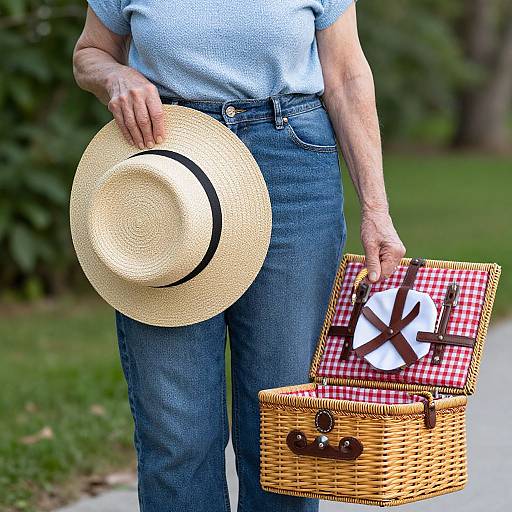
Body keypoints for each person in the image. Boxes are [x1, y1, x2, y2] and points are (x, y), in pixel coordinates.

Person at [72, 1, 406, 511]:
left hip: (291, 165)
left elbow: (345, 74)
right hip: (168, 166)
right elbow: (89, 54)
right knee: (176, 434)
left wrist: (377, 209)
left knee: (285, 425)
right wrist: (115, 75)